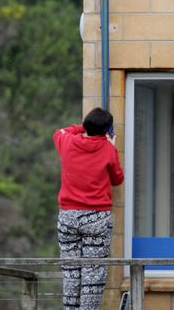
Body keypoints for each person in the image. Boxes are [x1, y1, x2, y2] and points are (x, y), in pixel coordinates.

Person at [53, 107, 124, 310]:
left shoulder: (67, 142)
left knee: (71, 272)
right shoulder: (108, 150)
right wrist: (111, 145)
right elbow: (117, 179)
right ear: (107, 130)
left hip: (68, 216)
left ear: (86, 125)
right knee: (93, 275)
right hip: (96, 218)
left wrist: (81, 128)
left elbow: (60, 131)